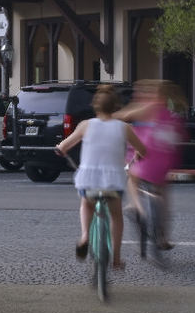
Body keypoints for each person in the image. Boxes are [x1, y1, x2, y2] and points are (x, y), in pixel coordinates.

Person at [55, 83, 146, 266]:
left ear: (95, 106)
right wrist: (139, 154)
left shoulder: (85, 125)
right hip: (113, 182)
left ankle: (84, 236)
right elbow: (143, 150)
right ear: (116, 107)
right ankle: (117, 259)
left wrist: (60, 149)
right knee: (116, 216)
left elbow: (64, 145)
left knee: (86, 204)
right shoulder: (124, 127)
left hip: (89, 181)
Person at [122, 78, 182, 263]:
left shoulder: (146, 108)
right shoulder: (169, 112)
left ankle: (135, 207)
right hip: (163, 162)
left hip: (143, 159)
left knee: (132, 177)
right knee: (162, 192)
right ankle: (162, 236)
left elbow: (121, 117)